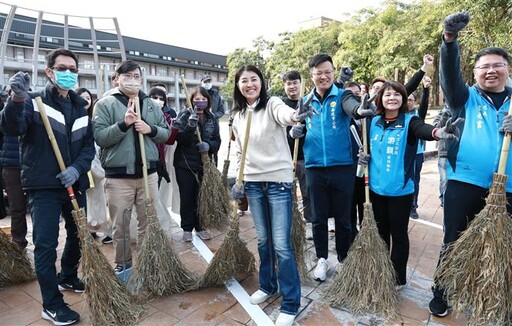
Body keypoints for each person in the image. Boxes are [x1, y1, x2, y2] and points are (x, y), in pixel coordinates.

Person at [0, 48, 95, 325]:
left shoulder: (80, 106)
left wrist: (77, 168)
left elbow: (88, 146)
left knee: (79, 236)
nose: (68, 73)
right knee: (45, 244)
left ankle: (67, 275)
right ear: (50, 72)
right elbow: (12, 127)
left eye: (73, 69)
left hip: (73, 182)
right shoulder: (34, 102)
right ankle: (51, 304)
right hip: (43, 186)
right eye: (62, 68)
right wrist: (15, 100)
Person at [428, 11, 512, 318]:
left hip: (508, 187)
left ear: (507, 69)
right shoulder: (464, 98)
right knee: (453, 239)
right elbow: (449, 75)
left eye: (497, 66)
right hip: (465, 182)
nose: (491, 71)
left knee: (501, 245)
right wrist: (449, 40)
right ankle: (442, 291)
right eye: (484, 67)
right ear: (475, 73)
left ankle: (491, 293)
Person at [230, 65, 314, 326]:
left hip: (278, 183)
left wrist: (296, 118)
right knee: (264, 240)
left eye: (254, 79)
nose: (249, 84)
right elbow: (239, 152)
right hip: (253, 184)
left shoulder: (273, 103)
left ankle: (290, 303)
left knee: (281, 245)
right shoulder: (238, 115)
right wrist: (237, 180)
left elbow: (287, 115)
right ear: (238, 86)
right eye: (244, 81)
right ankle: (268, 285)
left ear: (261, 83)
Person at [359, 80, 461, 290]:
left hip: (400, 190)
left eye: (397, 94)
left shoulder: (410, 121)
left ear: (403, 99)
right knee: (380, 235)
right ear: (381, 99)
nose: (392, 98)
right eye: (387, 94)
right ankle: (382, 272)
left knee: (399, 235)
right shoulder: (373, 122)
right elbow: (365, 148)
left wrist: (438, 133)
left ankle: (397, 278)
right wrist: (362, 157)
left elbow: (424, 129)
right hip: (375, 189)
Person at [289, 53, 375, 283]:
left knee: (343, 218)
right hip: (314, 168)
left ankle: (344, 259)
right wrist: (293, 131)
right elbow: (298, 126)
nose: (323, 76)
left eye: (328, 72)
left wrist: (360, 110)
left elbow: (352, 107)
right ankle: (321, 259)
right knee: (318, 218)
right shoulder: (305, 101)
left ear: (333, 72)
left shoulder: (343, 95)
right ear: (312, 75)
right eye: (319, 73)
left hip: (342, 167)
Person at [92, 60, 171, 275]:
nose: (133, 80)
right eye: (127, 76)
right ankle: (124, 266)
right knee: (121, 226)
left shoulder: (151, 104)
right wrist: (123, 125)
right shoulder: (105, 104)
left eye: (137, 76)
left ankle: (147, 263)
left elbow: (166, 133)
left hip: (148, 175)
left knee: (148, 222)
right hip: (119, 178)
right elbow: (100, 137)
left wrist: (150, 129)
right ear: (116, 78)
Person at [173, 86, 220, 242]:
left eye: (204, 99)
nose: (200, 102)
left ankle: (200, 226)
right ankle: (187, 228)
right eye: (197, 99)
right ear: (191, 100)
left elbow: (217, 140)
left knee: (202, 197)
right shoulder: (184, 115)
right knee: (187, 197)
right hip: (185, 164)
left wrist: (209, 146)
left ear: (208, 101)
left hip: (205, 165)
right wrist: (190, 126)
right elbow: (180, 140)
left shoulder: (211, 118)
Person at [76, 87, 112, 244]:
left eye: (88, 98)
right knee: (82, 198)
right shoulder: (73, 117)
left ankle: (96, 226)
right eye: (82, 97)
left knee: (97, 197)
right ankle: (84, 228)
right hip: (78, 164)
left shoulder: (94, 118)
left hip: (95, 162)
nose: (86, 100)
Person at [282, 70, 311, 223]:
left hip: (306, 157)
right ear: (284, 86)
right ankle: (291, 222)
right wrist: (291, 134)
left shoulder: (307, 103)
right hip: (286, 157)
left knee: (307, 193)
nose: (292, 86)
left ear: (301, 84)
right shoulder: (280, 106)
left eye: (295, 82)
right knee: (288, 193)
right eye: (289, 83)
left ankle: (309, 221)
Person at [0, 89, 28, 249]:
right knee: (16, 206)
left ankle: (41, 242)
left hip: (32, 164)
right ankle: (19, 242)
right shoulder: (6, 114)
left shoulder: (30, 111)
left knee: (37, 206)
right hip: (11, 166)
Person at [407, 75, 431, 219]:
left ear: (414, 102)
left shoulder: (418, 115)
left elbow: (425, 104)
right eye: (407, 99)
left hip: (417, 153)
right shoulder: (399, 114)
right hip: (403, 153)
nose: (408, 102)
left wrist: (426, 89)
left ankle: (413, 206)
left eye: (411, 100)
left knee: (415, 180)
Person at [344, 82, 364, 241]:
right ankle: (351, 237)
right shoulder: (341, 119)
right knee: (349, 207)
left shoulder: (369, 116)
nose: (354, 97)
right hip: (348, 169)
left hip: (366, 169)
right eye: (349, 94)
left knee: (365, 206)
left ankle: (366, 237)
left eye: (357, 93)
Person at [148, 86, 178, 187]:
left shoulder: (167, 117)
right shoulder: (142, 115)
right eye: (155, 97)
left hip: (159, 160)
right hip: (145, 159)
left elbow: (169, 140)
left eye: (161, 99)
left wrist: (175, 127)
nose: (158, 101)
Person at [432, 105, 451, 207]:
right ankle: (443, 199)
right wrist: (445, 115)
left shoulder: (463, 110)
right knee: (444, 179)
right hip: (444, 151)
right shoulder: (442, 113)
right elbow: (436, 129)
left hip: (459, 152)